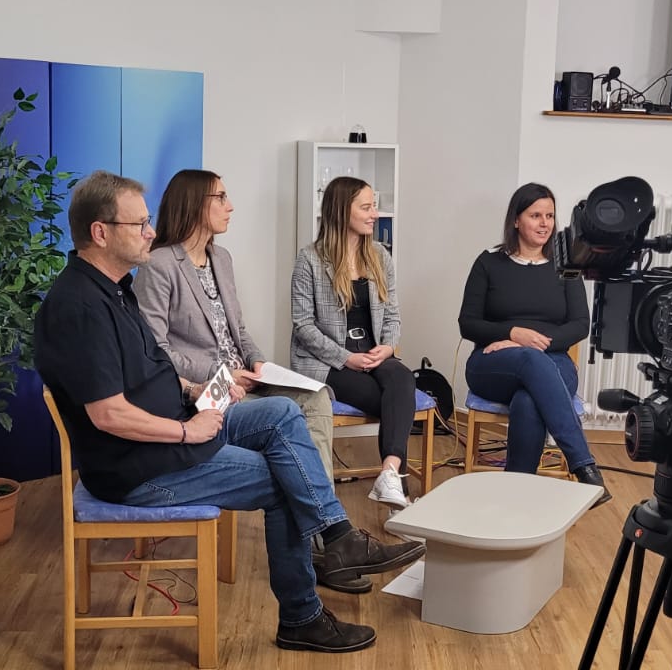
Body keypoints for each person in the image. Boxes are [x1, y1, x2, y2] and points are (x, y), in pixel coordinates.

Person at [34, 170, 424, 654]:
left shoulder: (114, 289)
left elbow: (153, 368)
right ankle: (303, 613)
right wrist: (187, 430)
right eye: (139, 224)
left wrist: (198, 388)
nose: (151, 232)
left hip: (177, 423)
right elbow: (109, 415)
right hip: (143, 463)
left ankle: (338, 537)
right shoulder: (81, 308)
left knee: (282, 412)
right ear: (101, 232)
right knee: (286, 480)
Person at [132, 169, 336, 479]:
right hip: (205, 392)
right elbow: (155, 351)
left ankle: (324, 516)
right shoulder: (159, 265)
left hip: (245, 379)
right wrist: (222, 375)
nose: (231, 206)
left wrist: (258, 362)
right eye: (221, 197)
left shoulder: (222, 258)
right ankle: (320, 517)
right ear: (195, 204)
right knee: (286, 416)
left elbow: (237, 330)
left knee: (317, 397)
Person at [458, 182, 611, 504]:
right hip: (493, 363)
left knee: (529, 399)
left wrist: (536, 343)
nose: (545, 223)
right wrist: (512, 334)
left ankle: (516, 495)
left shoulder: (566, 267)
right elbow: (468, 323)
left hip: (553, 361)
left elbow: (580, 325)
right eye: (535, 215)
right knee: (530, 362)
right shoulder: (489, 262)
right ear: (516, 220)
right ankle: (584, 466)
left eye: (550, 216)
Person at [290, 176, 415, 510]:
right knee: (391, 399)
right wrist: (347, 358)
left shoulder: (379, 255)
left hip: (373, 354)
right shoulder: (310, 260)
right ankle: (394, 488)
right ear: (342, 210)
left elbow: (393, 314)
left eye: (374, 205)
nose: (375, 213)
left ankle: (389, 474)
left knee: (403, 379)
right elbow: (303, 326)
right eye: (366, 206)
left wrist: (388, 347)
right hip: (328, 361)